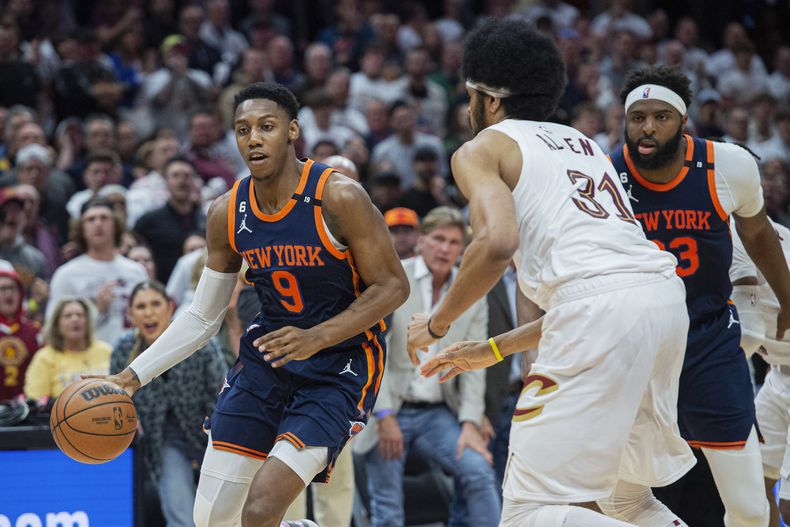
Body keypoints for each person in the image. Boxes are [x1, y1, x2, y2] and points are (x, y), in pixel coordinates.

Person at [411, 19, 694, 526]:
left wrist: (437, 323)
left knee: (528, 512)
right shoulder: (583, 144)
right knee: (626, 501)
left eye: (469, 95)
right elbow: (594, 290)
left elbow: (497, 243)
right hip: (662, 302)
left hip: (602, 312)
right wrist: (493, 348)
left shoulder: (483, 148)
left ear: (488, 99)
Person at [93, 82, 409, 527]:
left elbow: (393, 287)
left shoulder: (340, 197)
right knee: (211, 519)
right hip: (267, 362)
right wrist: (129, 379)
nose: (254, 138)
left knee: (260, 509)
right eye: (243, 130)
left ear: (293, 130)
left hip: (339, 366)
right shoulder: (226, 212)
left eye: (266, 127)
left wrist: (316, 337)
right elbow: (203, 315)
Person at [608, 66, 790, 527]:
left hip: (708, 341)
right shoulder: (604, 175)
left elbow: (759, 234)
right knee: (616, 499)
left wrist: (788, 299)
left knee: (750, 509)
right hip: (634, 345)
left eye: (661, 117)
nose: (648, 128)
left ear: (683, 121)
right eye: (638, 118)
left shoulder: (726, 165)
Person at [355, 206, 500, 527]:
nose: (445, 248)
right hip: (389, 409)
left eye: (453, 242)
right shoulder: (394, 279)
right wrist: (384, 415)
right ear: (421, 241)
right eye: (438, 239)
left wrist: (470, 422)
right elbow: (372, 352)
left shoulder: (472, 292)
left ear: (462, 249)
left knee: (478, 471)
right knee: (388, 507)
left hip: (438, 413)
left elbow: (475, 366)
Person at [111, 280, 227, 527]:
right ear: (131, 314)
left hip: (213, 433)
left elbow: (221, 396)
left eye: (155, 304)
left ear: (170, 307)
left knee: (223, 515)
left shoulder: (202, 342)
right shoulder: (123, 348)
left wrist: (214, 442)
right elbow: (118, 405)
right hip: (163, 439)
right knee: (180, 513)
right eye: (141, 306)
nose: (149, 312)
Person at [730, 218, 790, 526]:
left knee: (788, 506)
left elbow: (747, 332)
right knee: (754, 491)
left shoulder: (736, 232)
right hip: (778, 375)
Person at [48, 198, 148, 345]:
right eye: (91, 219)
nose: (98, 224)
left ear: (116, 224)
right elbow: (53, 325)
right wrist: (97, 311)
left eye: (104, 218)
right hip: (87, 354)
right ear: (81, 228)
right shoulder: (66, 274)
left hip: (132, 352)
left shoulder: (136, 271)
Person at [24, 297, 110, 399]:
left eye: (80, 315)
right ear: (57, 324)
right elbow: (36, 401)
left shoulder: (106, 351)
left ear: (88, 322)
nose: (75, 319)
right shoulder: (44, 358)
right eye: (67, 316)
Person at [0, 263, 42, 401]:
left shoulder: (35, 331)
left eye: (13, 288)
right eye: (2, 289)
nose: (8, 293)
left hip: (28, 408)